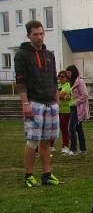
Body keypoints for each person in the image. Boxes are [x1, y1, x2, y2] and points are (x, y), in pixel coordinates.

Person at [15, 20, 60, 186]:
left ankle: (47, 174)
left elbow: (54, 80)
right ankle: (28, 175)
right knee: (32, 140)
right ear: (29, 35)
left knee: (47, 141)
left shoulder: (49, 55)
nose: (40, 37)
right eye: (36, 34)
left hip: (50, 103)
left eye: (41, 33)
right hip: (34, 103)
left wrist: (56, 101)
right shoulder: (22, 55)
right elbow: (20, 82)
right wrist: (25, 103)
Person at [66, 64, 89, 155]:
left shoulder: (80, 82)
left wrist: (75, 102)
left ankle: (73, 149)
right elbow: (75, 94)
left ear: (73, 72)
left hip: (78, 108)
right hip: (73, 107)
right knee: (79, 129)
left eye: (69, 72)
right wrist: (69, 97)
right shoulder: (72, 82)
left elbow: (85, 95)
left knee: (71, 127)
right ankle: (83, 149)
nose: (67, 74)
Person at [57, 70, 72, 154]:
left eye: (62, 76)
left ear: (66, 78)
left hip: (65, 111)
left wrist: (58, 95)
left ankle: (65, 146)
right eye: (59, 76)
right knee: (53, 128)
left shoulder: (67, 85)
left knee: (64, 129)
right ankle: (51, 146)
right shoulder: (58, 85)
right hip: (57, 110)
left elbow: (60, 95)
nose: (60, 78)